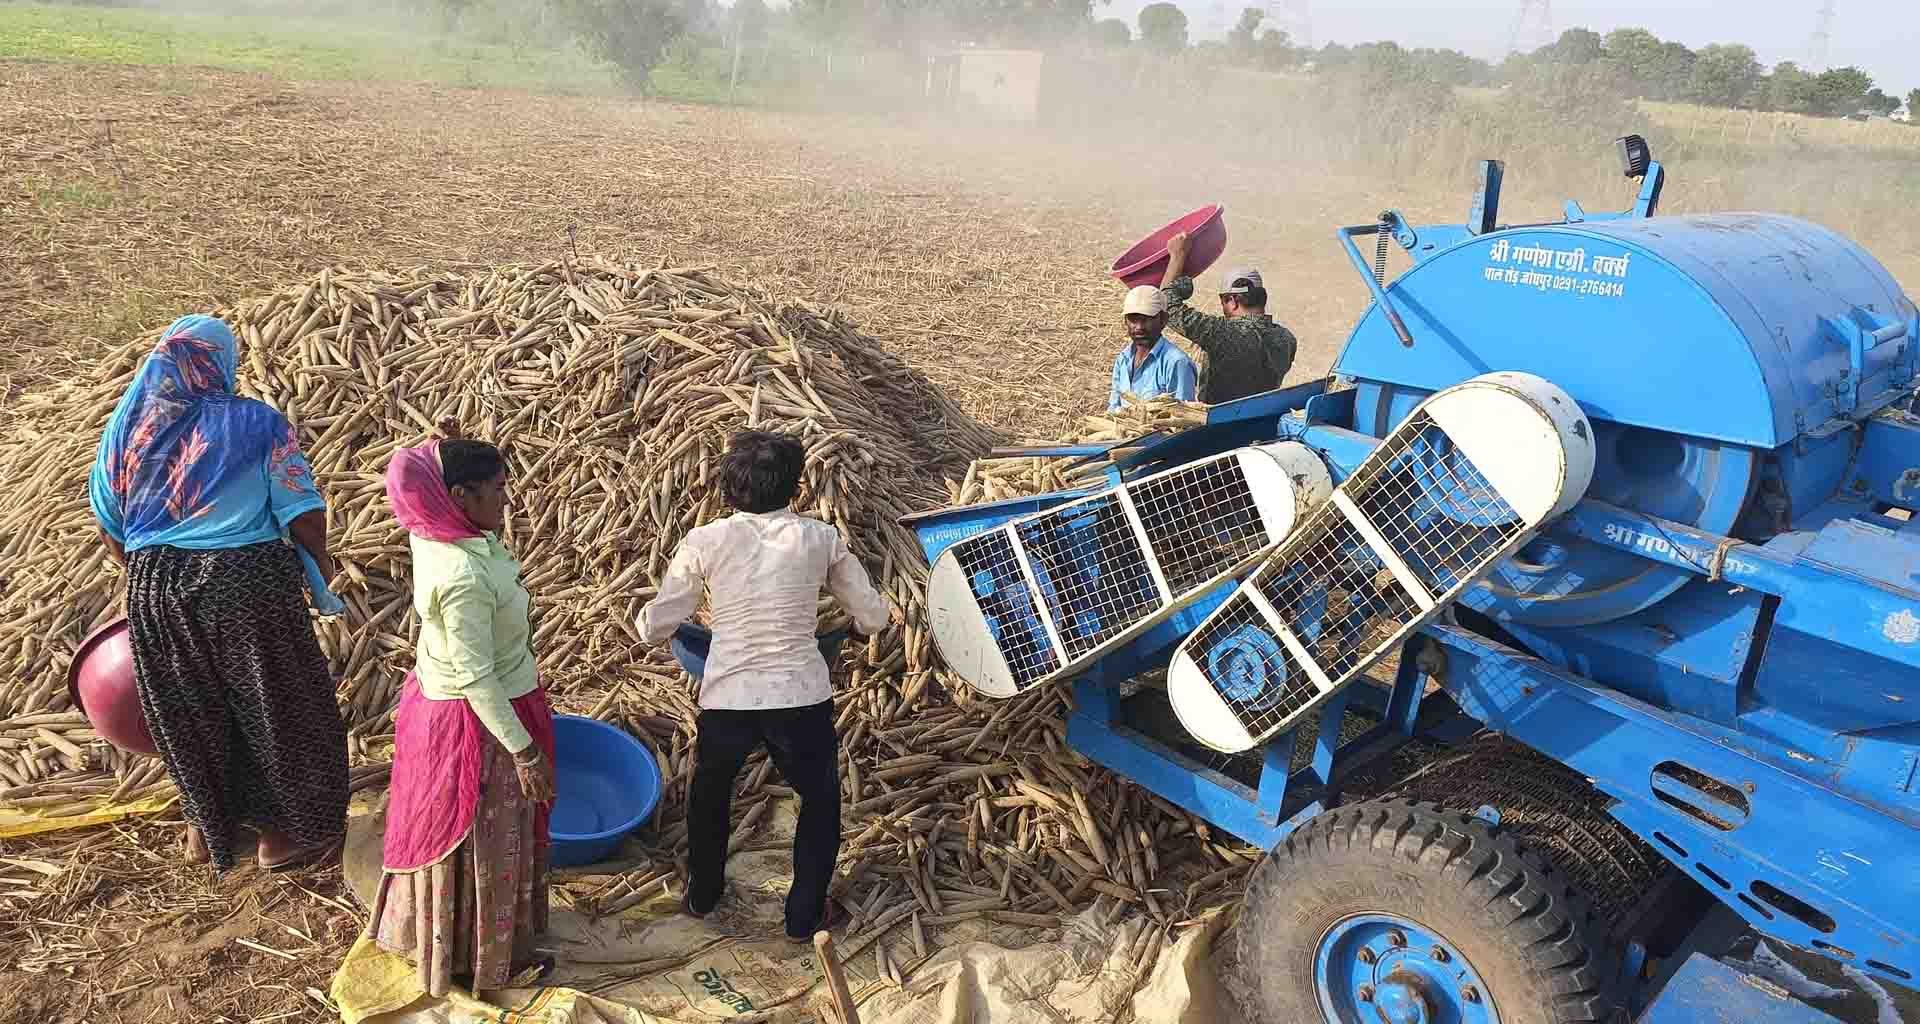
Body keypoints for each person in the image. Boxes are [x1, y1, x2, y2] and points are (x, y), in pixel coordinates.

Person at [87, 314, 348, 872]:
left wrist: (151, 571)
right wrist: (322, 565)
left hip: (155, 583)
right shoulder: (254, 423)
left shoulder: (124, 431)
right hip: (245, 579)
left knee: (189, 706)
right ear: (219, 365)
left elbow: (111, 529)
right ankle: (285, 835)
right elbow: (301, 511)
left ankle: (208, 831)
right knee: (277, 700)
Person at [637, 430, 892, 941]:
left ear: (729, 488)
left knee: (710, 794)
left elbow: (661, 620)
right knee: (818, 802)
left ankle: (703, 896)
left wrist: (650, 627)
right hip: (799, 695)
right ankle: (803, 918)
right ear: (794, 487)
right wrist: (855, 627)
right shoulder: (820, 539)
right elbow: (873, 615)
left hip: (727, 693)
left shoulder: (706, 540)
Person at [368, 427, 558, 999]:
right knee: (480, 839)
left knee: (470, 835)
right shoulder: (462, 576)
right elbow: (477, 677)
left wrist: (439, 445)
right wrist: (523, 751)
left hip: (456, 699)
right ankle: (478, 960)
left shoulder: (438, 529)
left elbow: (407, 470)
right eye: (496, 489)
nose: (507, 499)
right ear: (457, 495)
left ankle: (449, 941)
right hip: (478, 722)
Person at [1160, 231, 1298, 405]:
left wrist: (1177, 256)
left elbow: (1167, 307)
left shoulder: (1223, 333)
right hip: (1260, 420)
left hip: (1219, 426)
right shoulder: (1287, 339)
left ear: (1232, 301)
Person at [1109, 285, 1198, 412]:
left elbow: (1184, 418)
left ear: (1163, 320)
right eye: (1133, 319)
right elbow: (1113, 408)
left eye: (1146, 319)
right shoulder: (1123, 359)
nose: (1139, 327)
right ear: (1125, 321)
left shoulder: (1177, 363)